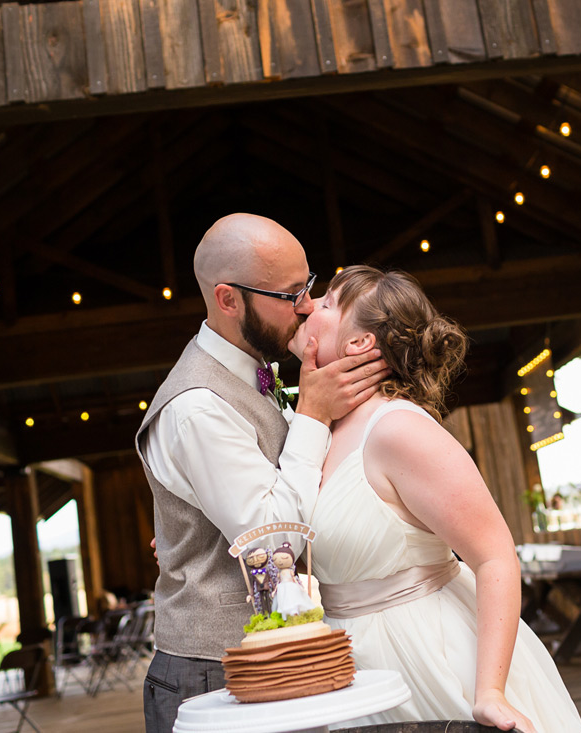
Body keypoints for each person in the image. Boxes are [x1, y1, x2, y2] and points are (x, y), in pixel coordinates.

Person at [287, 266, 581, 733]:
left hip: (426, 656)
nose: (306, 306)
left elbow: (495, 555)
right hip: (350, 665)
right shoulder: (317, 431)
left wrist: (489, 692)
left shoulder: (396, 428)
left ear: (359, 344)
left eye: (325, 303)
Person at [135, 214, 389, 733]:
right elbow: (275, 544)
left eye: (309, 286)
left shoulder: (257, 369)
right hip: (217, 674)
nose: (309, 306)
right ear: (228, 300)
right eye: (291, 294)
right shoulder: (197, 406)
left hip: (269, 660)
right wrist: (314, 414)